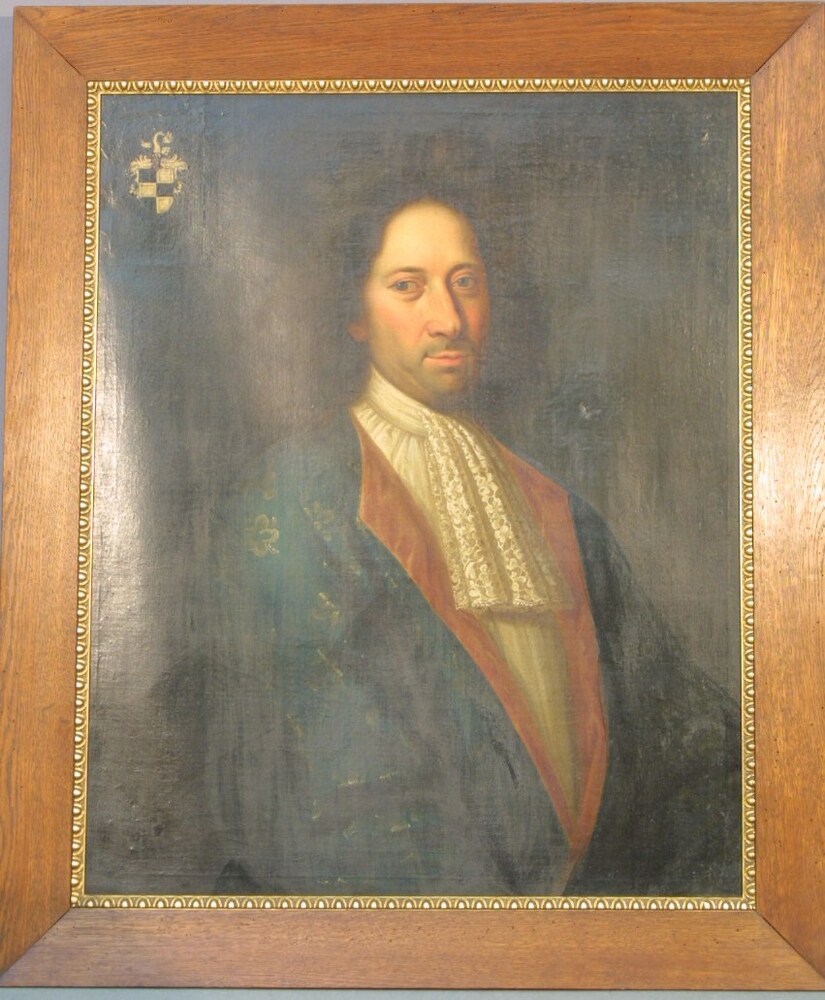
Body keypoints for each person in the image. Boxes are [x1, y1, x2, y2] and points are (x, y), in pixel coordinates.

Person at [206, 199, 741, 898]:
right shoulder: (292, 500)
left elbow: (690, 747)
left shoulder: (564, 514)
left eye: (465, 282)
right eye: (408, 286)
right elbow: (343, 797)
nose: (449, 320)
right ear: (356, 314)